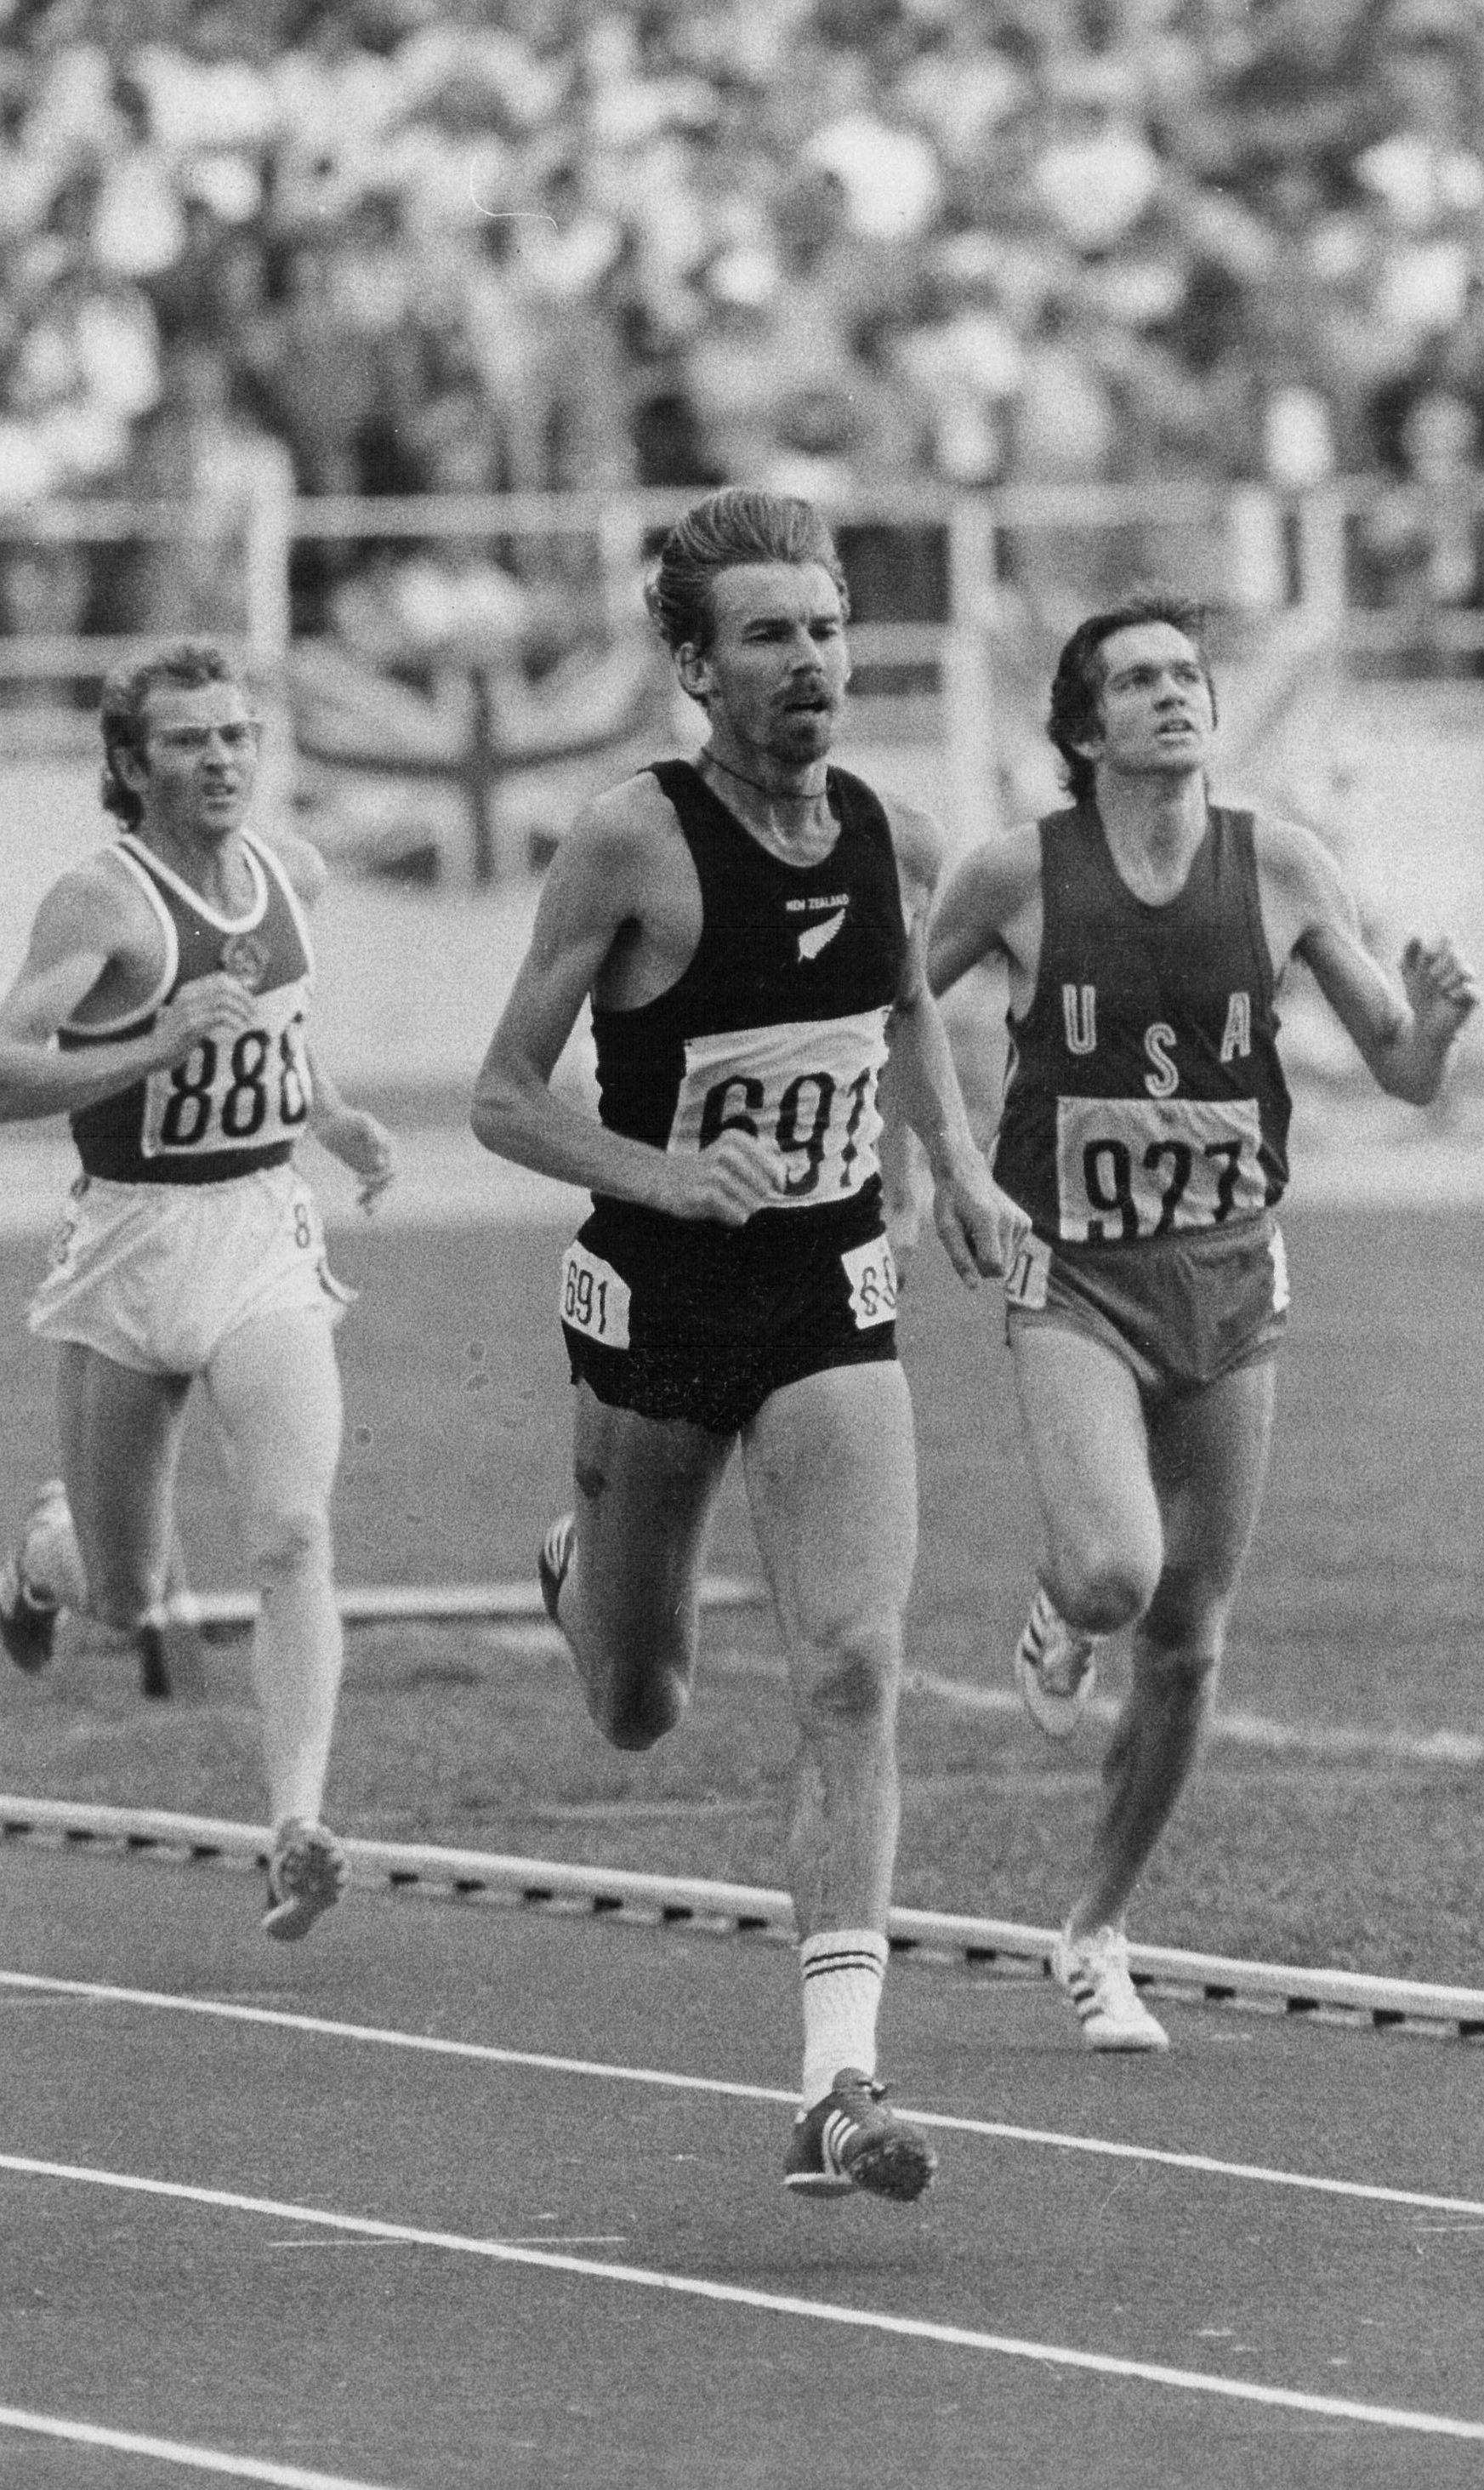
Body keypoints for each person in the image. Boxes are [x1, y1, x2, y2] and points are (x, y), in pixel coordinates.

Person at [471, 488, 1027, 2201]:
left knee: (852, 1665)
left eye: (828, 629)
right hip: (656, 1297)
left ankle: (835, 2080)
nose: (811, 663)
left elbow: (904, 1003)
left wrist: (953, 1164)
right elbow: (502, 1098)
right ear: (696, 668)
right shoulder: (628, 842)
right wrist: (663, 1173)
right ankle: (584, 1573)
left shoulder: (891, 833)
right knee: (639, 1705)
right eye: (770, 635)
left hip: (825, 1287)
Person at [928, 588, 1478, 2051]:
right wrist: (947, 1164)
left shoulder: (1281, 865)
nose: (1174, 694)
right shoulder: (1013, 874)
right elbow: (891, 1012)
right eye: (1137, 680)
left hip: (1230, 1273)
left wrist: (1434, 1022)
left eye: (1187, 675)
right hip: (1076, 1274)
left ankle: (1095, 1930)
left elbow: (1402, 1072)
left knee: (1188, 1643)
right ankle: (1062, 1600)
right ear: (1081, 726)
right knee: (1117, 1573)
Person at [0, 639, 395, 1941]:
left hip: (261, 1233)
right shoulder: (99, 904)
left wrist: (329, 1115)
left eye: (236, 735)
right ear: (129, 764)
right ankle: (45, 1558)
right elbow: (6, 1069)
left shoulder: (294, 873)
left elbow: (276, 1029)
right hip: (130, 1241)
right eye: (187, 740)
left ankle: (297, 1829)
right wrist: (152, 1042)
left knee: (292, 1534)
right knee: (123, 1593)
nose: (220, 759)